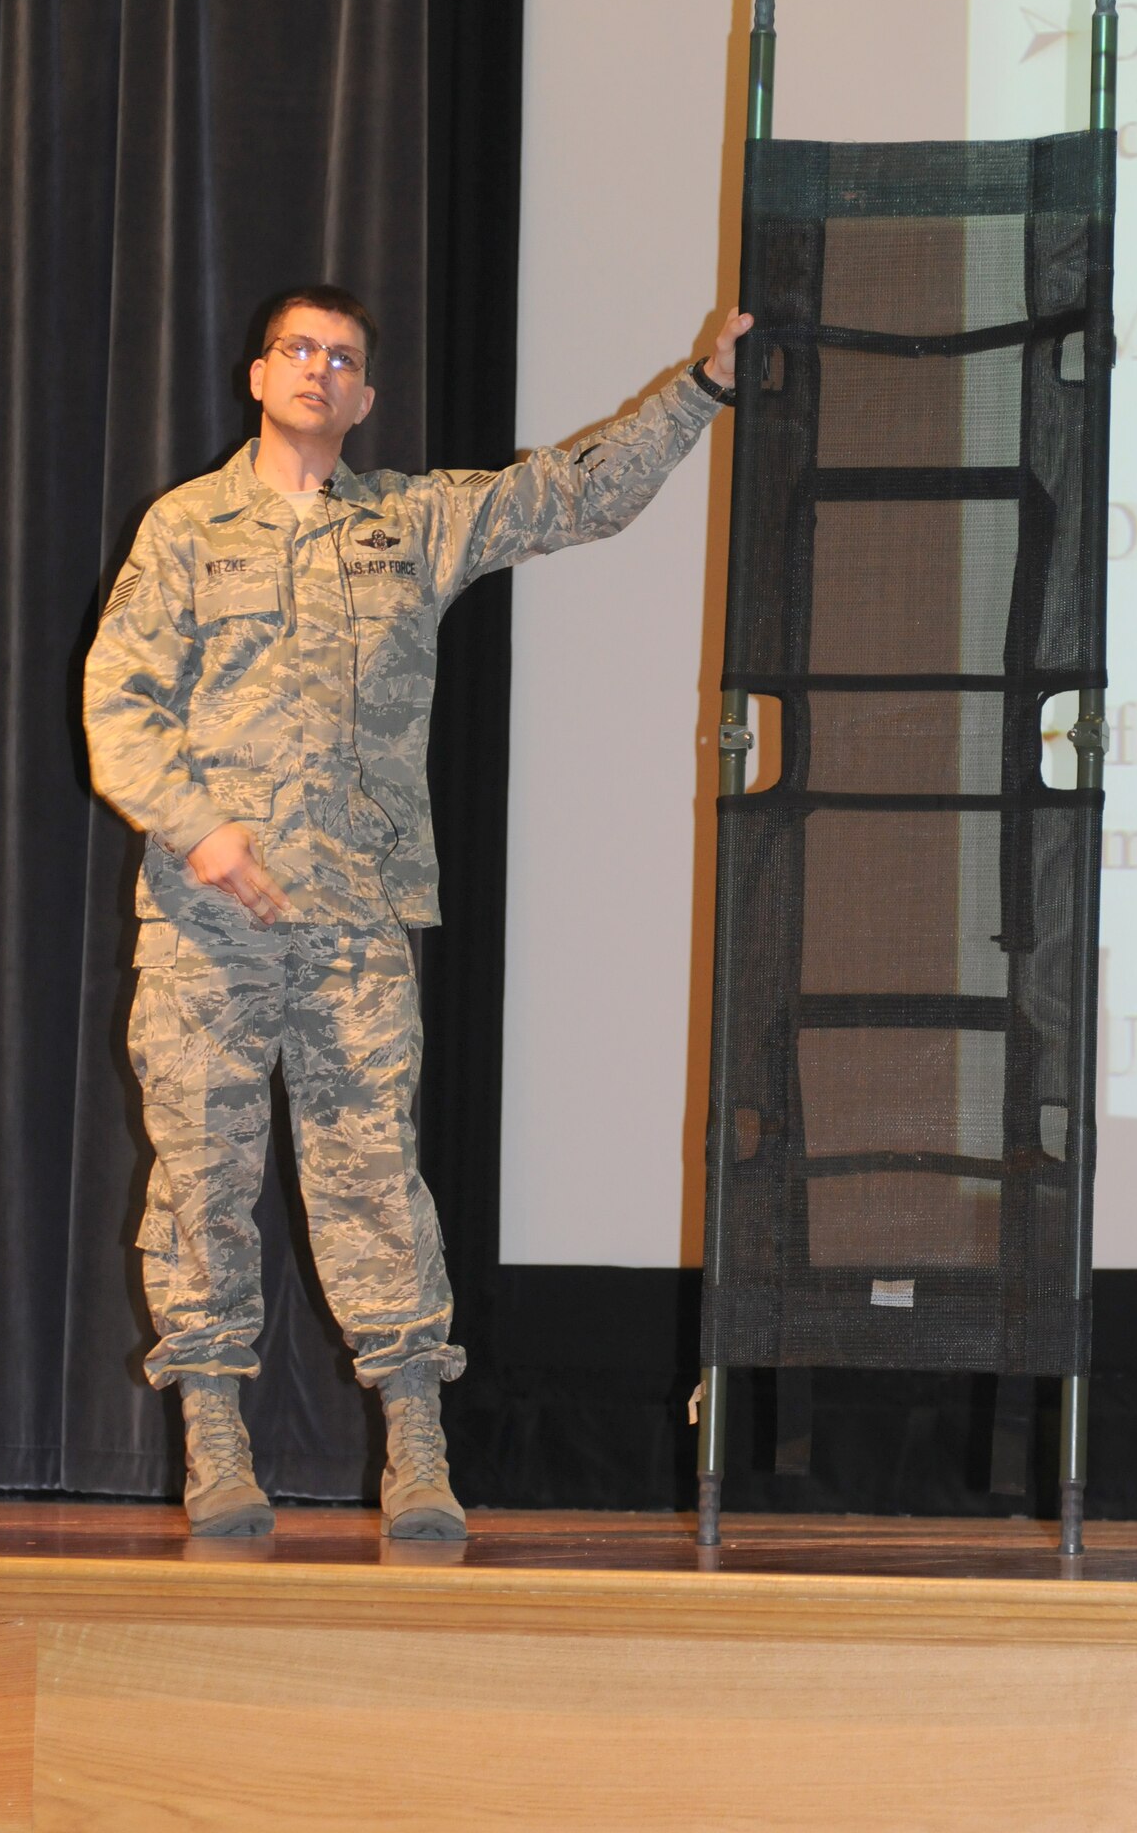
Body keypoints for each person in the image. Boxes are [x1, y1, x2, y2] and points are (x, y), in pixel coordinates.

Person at [84, 285, 750, 1538]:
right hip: (205, 925)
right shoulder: (186, 529)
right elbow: (117, 706)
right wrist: (202, 826)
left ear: (366, 397)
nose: (318, 371)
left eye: (343, 359)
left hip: (353, 925)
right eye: (298, 349)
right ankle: (217, 1446)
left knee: (376, 1180)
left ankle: (416, 1450)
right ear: (257, 372)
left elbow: (572, 494)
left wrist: (701, 387)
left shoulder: (409, 522)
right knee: (201, 1183)